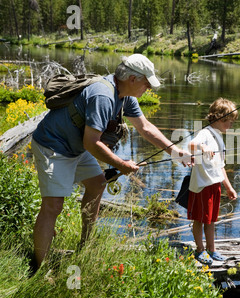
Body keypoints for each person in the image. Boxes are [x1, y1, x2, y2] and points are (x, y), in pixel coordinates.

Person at [31, 54, 191, 269]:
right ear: (132, 79)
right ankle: (40, 268)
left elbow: (145, 127)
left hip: (77, 147)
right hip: (54, 146)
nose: (149, 89)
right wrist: (120, 164)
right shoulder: (103, 96)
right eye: (147, 83)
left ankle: (86, 245)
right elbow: (91, 143)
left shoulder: (125, 95)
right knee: (53, 206)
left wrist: (175, 152)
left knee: (97, 184)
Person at [187, 98, 238, 265]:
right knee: (199, 219)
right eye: (229, 121)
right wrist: (202, 147)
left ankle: (211, 249)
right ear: (219, 118)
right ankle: (200, 250)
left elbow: (220, 166)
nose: (231, 125)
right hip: (202, 185)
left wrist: (228, 188)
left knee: (211, 219)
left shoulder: (219, 137)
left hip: (215, 185)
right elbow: (191, 144)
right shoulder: (206, 133)